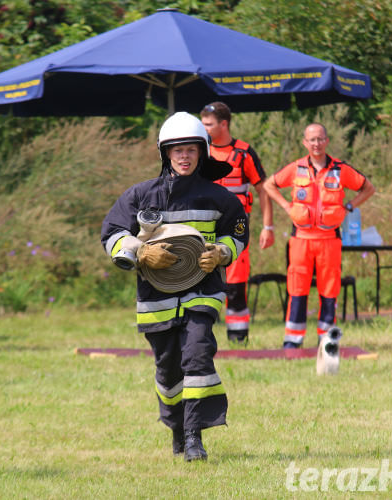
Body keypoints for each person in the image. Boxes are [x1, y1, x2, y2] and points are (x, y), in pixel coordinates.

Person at [101, 112, 248, 462]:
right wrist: (139, 252)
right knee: (168, 370)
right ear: (165, 153)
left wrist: (222, 253)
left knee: (197, 354)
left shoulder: (220, 198)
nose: (184, 156)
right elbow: (112, 232)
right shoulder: (140, 195)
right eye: (177, 150)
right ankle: (177, 428)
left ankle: (196, 435)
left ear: (203, 152)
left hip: (203, 291)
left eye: (191, 150)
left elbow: (238, 231)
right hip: (156, 300)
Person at [263, 123, 375, 349]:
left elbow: (368, 188)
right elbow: (269, 185)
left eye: (320, 139)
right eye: (312, 140)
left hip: (329, 240)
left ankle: (327, 340)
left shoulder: (340, 169)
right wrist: (286, 206)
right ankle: (292, 341)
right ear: (305, 142)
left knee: (330, 288)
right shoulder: (296, 168)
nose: (316, 144)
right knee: (297, 287)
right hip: (301, 239)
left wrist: (350, 207)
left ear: (327, 141)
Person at [200, 102, 274, 344]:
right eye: (202, 123)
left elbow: (263, 189)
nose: (204, 128)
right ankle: (200, 337)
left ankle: (238, 338)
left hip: (236, 228)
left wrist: (268, 226)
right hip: (205, 226)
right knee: (202, 279)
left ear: (224, 124)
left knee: (236, 282)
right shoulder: (199, 152)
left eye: (208, 124)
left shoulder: (244, 153)